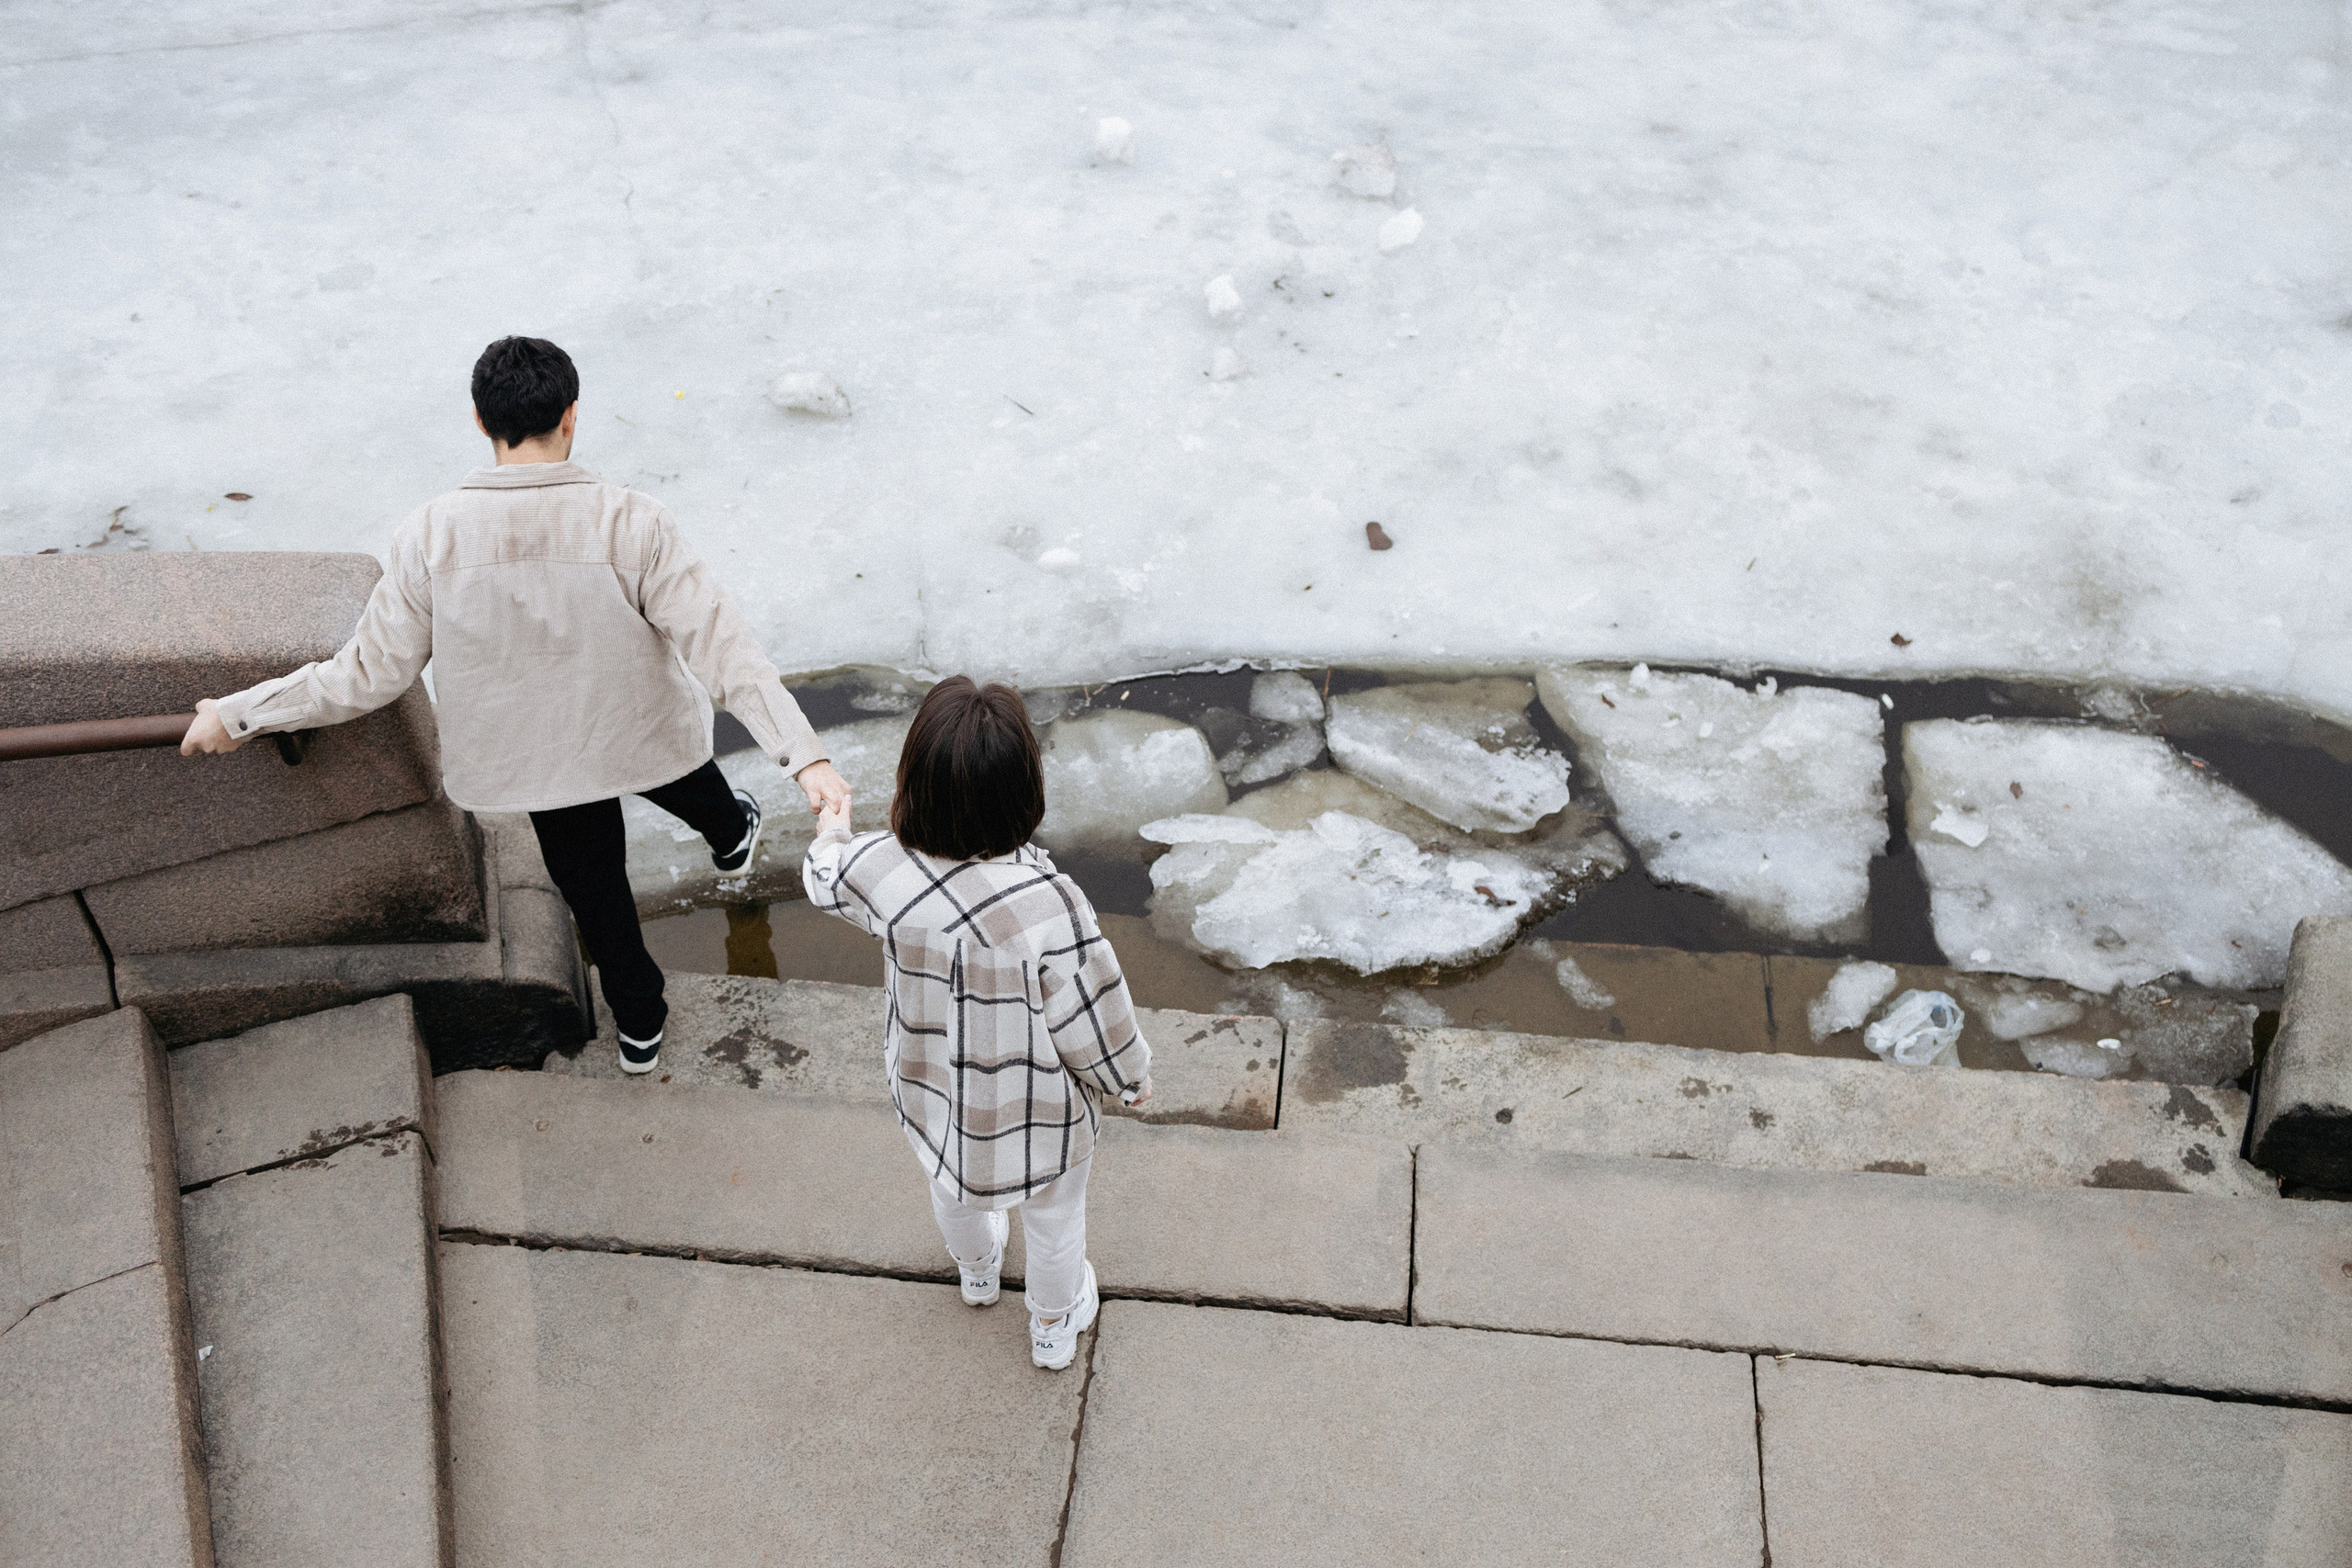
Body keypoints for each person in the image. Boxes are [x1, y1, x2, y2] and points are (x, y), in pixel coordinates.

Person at [181, 335, 850, 1074]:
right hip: (636, 727)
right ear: (572, 416)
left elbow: (367, 673)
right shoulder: (632, 522)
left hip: (538, 762)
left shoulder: (430, 535)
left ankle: (639, 1020)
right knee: (683, 773)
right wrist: (804, 755)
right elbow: (722, 647)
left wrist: (242, 713)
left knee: (593, 888)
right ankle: (732, 830)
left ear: (479, 420)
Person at [803, 677, 1150, 1370]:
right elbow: (1092, 1011)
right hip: (1037, 1112)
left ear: (912, 784)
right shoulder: (1050, 905)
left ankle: (978, 1269)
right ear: (1025, 792)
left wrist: (835, 827)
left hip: (937, 1093)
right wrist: (1130, 1077)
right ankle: (1053, 1325)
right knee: (1054, 1223)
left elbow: (824, 876)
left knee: (950, 1184)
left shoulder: (882, 869)